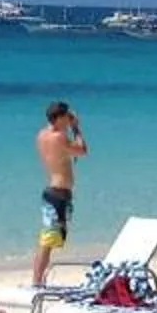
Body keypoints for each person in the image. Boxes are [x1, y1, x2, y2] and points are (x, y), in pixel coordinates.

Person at [30, 100, 88, 284]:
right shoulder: (59, 137)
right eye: (67, 117)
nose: (69, 119)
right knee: (47, 241)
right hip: (59, 193)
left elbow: (61, 154)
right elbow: (82, 150)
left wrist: (67, 126)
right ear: (60, 118)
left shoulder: (42, 135)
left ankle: (38, 280)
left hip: (53, 191)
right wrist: (76, 128)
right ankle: (36, 281)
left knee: (49, 240)